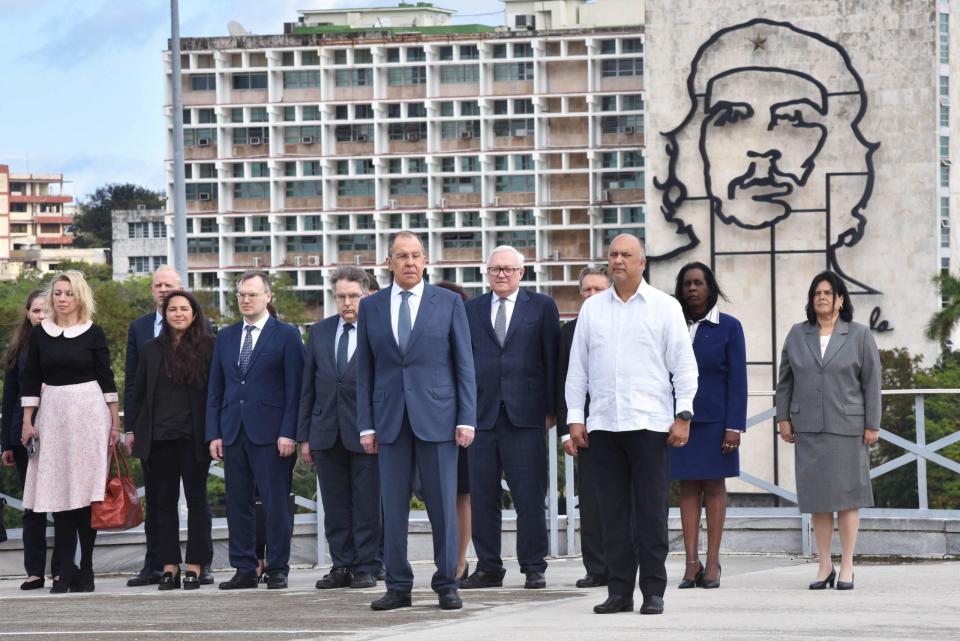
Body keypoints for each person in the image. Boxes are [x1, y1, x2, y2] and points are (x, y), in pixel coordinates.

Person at [565, 234, 698, 615]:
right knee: (612, 515)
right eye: (613, 255)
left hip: (650, 425)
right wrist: (576, 418)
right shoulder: (592, 310)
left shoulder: (664, 307)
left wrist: (683, 414)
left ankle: (653, 590)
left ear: (642, 263)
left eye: (626, 254)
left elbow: (684, 367)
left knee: (652, 514)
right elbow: (578, 370)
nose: (618, 260)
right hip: (604, 427)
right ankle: (620, 592)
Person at [356, 231, 476, 611]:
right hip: (389, 419)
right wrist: (366, 424)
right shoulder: (371, 306)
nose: (410, 262)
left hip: (439, 418)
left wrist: (466, 418)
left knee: (443, 504)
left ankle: (447, 583)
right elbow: (365, 369)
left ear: (425, 261)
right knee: (392, 508)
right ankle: (398, 585)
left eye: (416, 255)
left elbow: (464, 364)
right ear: (388, 262)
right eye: (401, 256)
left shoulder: (448, 302)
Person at [462, 245, 559, 590]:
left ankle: (534, 565)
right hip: (481, 417)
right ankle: (489, 567)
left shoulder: (542, 307)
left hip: (527, 416)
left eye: (508, 269)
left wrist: (552, 409)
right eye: (495, 269)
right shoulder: (470, 309)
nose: (501, 275)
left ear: (522, 272)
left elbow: (552, 358)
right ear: (486, 273)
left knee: (530, 495)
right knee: (483, 496)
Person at [776, 270, 880, 591]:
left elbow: (872, 383)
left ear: (840, 300)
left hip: (848, 428)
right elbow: (785, 382)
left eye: (827, 293)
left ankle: (847, 565)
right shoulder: (797, 334)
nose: (820, 297)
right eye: (816, 293)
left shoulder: (860, 335)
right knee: (818, 500)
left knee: (849, 498)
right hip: (808, 428)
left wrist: (871, 424)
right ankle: (824, 565)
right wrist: (784, 419)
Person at [19, 271, 122, 593]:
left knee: (86, 495)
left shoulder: (94, 332)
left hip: (90, 415)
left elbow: (107, 379)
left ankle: (86, 571)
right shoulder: (40, 334)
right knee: (60, 495)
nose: (62, 298)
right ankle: (64, 571)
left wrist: (115, 423)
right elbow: (30, 378)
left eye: (69, 293)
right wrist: (27, 420)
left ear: (80, 297)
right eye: (58, 293)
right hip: (53, 415)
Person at [206, 270, 305, 590]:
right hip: (234, 432)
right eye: (241, 295)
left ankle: (277, 567)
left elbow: (295, 389)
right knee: (238, 503)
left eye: (252, 294)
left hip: (273, 435)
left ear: (267, 297)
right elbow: (215, 389)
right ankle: (245, 567)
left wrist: (290, 432)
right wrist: (215, 433)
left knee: (276, 504)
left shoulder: (287, 334)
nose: (245, 300)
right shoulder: (226, 336)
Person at [124, 265, 214, 587]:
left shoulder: (208, 346)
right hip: (158, 438)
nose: (177, 313)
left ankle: (196, 566)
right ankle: (169, 567)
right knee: (162, 504)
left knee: (197, 501)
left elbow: (215, 394)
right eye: (172, 308)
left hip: (194, 438)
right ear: (164, 311)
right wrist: (132, 428)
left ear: (194, 314)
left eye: (184, 308)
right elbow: (137, 392)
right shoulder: (150, 348)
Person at [298, 266, 381, 590]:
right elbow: (308, 387)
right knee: (334, 505)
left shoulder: (377, 331)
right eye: (341, 296)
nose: (347, 302)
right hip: (325, 432)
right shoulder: (319, 331)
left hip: (365, 433)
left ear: (365, 295)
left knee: (366, 504)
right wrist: (304, 435)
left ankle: (366, 565)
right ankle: (341, 565)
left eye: (353, 296)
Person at [670, 262, 747, 589]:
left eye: (699, 282)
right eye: (687, 283)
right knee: (687, 487)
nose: (692, 288)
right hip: (679, 421)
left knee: (714, 487)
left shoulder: (729, 326)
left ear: (710, 287)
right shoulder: (670, 324)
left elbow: (738, 380)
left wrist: (735, 425)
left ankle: (713, 561)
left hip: (717, 422)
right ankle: (691, 563)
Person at [557, 266, 612, 588]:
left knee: (623, 500)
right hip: (585, 428)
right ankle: (596, 568)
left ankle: (625, 563)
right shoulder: (569, 332)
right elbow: (562, 381)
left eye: (598, 290)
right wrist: (567, 429)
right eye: (586, 290)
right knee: (590, 502)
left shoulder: (624, 327)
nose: (591, 295)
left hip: (622, 426)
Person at [1, 289, 60, 590]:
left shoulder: (65, 343)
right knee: (32, 506)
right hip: (25, 439)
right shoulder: (18, 350)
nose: (41, 316)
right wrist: (6, 444)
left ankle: (62, 569)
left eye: (45, 310)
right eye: (36, 311)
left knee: (63, 503)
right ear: (27, 314)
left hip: (61, 433)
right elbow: (9, 399)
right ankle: (34, 571)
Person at [434, 280, 474, 583]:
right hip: (425, 425)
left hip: (462, 425)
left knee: (460, 493)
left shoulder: (467, 331)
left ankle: (458, 563)